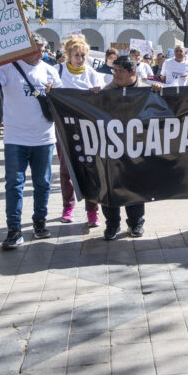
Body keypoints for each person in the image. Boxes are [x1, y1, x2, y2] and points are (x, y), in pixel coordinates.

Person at [0, 33, 62, 249]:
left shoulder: (50, 71)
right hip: (15, 138)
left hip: (44, 137)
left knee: (43, 183)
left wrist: (54, 95)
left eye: (43, 50)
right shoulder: (8, 67)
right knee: (14, 185)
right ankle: (14, 229)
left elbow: (62, 104)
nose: (39, 54)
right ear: (24, 49)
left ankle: (39, 222)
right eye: (35, 49)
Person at [100, 56, 163, 239]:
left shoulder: (145, 89)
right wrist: (92, 97)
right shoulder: (107, 90)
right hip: (112, 149)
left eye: (120, 71)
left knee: (135, 185)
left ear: (132, 73)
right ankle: (112, 224)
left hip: (137, 148)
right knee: (111, 186)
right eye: (115, 70)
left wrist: (159, 91)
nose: (115, 74)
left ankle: (135, 223)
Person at [55, 35, 105, 226]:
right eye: (76, 55)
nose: (80, 58)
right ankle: (68, 207)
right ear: (68, 55)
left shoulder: (92, 74)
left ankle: (92, 211)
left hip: (86, 130)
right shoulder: (57, 71)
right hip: (63, 129)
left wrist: (96, 94)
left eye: (83, 55)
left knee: (90, 169)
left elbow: (100, 100)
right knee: (66, 170)